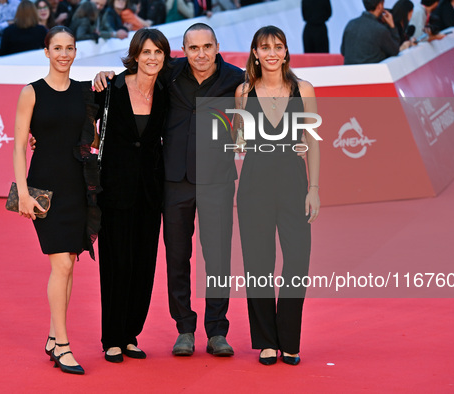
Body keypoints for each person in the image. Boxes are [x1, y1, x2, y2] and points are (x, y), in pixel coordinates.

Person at [94, 23, 244, 357]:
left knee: (217, 258)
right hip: (174, 181)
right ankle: (185, 329)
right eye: (193, 48)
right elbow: (137, 74)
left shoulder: (236, 78)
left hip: (217, 180)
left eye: (207, 47)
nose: (201, 54)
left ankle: (217, 331)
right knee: (177, 258)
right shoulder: (170, 72)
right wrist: (105, 75)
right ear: (184, 50)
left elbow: (271, 94)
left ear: (217, 46)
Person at [13, 25, 100, 375]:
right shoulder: (31, 92)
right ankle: (63, 345)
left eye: (70, 48)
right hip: (44, 188)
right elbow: (20, 144)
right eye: (57, 48)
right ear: (46, 52)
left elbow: (94, 134)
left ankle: (53, 336)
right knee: (60, 264)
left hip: (78, 185)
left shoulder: (84, 92)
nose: (64, 54)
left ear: (76, 51)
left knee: (68, 263)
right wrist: (22, 191)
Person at [235, 25, 320, 366]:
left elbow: (313, 140)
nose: (272, 52)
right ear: (255, 53)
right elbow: (240, 139)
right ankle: (267, 341)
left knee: (297, 261)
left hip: (293, 181)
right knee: (257, 262)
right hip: (254, 181)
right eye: (264, 47)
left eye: (278, 46)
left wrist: (314, 188)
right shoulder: (244, 91)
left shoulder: (304, 89)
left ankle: (290, 338)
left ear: (286, 52)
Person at [95, 28, 171, 363]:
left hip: (151, 193)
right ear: (135, 56)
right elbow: (78, 121)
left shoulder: (167, 92)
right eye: (146, 52)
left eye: (158, 52)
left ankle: (130, 335)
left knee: (143, 264)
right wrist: (39, 138)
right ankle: (111, 336)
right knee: (116, 264)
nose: (152, 58)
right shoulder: (109, 88)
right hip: (114, 190)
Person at [341, 0, 400, 65]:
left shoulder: (350, 24)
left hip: (349, 72)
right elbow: (395, 51)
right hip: (373, 73)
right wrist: (392, 26)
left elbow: (343, 51)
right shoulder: (380, 30)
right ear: (380, 6)